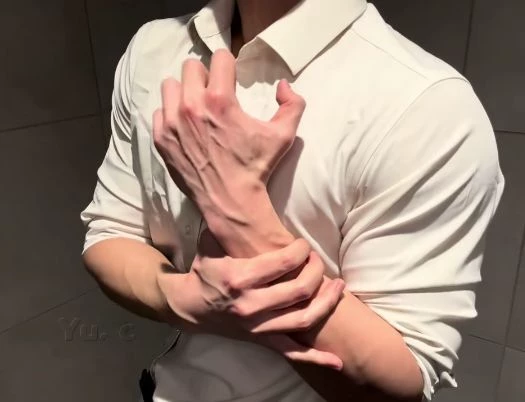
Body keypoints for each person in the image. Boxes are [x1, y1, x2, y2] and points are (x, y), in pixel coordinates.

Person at [80, 0, 505, 401]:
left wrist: (235, 205)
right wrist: (179, 300)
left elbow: (405, 379)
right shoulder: (152, 48)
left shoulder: (427, 103)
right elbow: (110, 233)